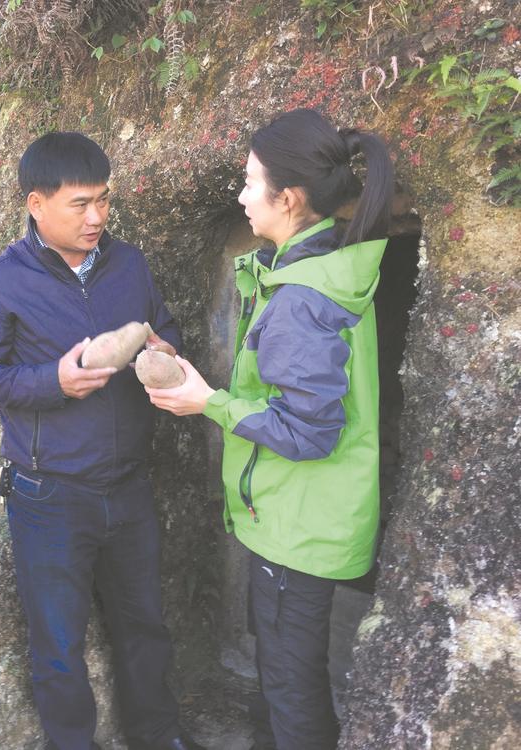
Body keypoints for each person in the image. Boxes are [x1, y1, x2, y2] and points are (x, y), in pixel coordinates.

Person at [146, 108, 394, 750]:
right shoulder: (325, 268)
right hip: (304, 518)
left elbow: (309, 432)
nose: (240, 195)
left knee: (290, 685)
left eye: (249, 182)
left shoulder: (300, 299)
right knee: (290, 673)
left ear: (287, 198)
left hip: (298, 530)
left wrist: (210, 403)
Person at [0, 132, 202, 750]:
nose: (96, 218)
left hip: (128, 483)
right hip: (48, 493)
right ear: (36, 203)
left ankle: (158, 737)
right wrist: (53, 381)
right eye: (80, 204)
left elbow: (161, 326)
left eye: (105, 202)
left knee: (145, 626)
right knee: (59, 646)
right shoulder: (0, 282)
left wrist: (161, 350)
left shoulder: (129, 263)